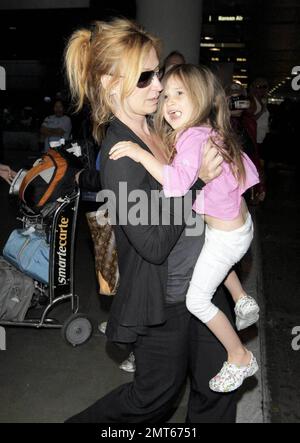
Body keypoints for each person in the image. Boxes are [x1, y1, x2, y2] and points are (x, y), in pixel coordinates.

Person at [65, 18, 237, 423]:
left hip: (203, 282)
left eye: (157, 72)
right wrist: (198, 182)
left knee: (219, 385)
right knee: (152, 400)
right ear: (110, 83)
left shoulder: (159, 127)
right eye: (145, 77)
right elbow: (154, 246)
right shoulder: (119, 157)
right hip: (165, 301)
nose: (158, 84)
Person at [110, 64, 260, 393]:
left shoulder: (192, 139)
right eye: (166, 97)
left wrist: (138, 154)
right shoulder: (208, 131)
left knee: (198, 301)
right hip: (237, 228)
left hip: (226, 237)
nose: (169, 102)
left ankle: (240, 355)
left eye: (180, 94)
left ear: (203, 99)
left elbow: (178, 185)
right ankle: (242, 298)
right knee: (209, 257)